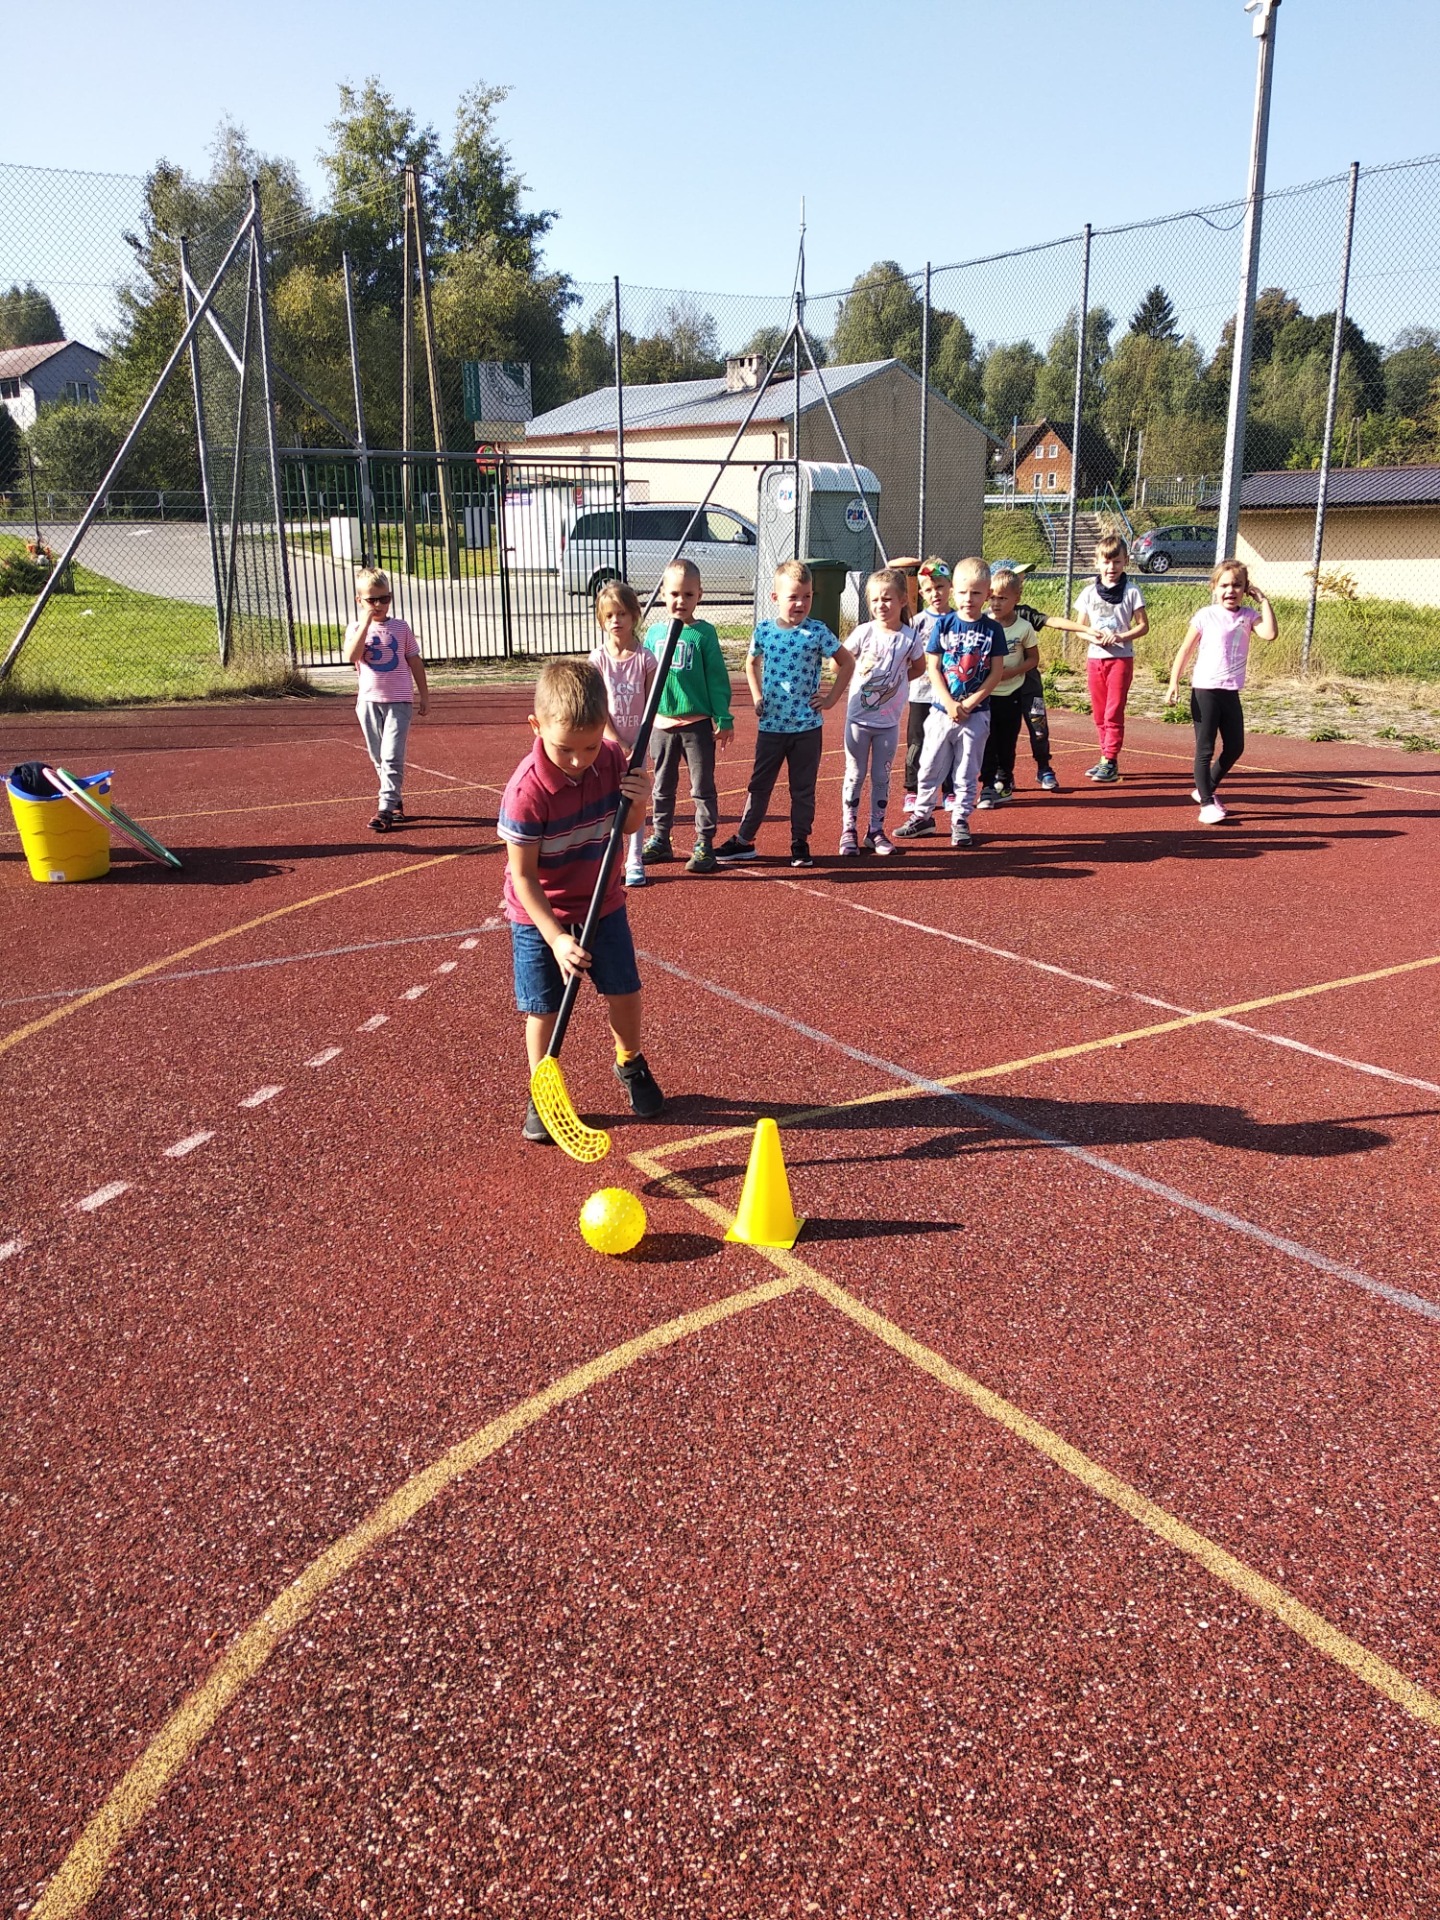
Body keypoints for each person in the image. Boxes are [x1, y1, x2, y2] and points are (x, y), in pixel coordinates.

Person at [497, 658, 663, 1145]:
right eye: (565, 748)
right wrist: (555, 939)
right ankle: (543, 1091)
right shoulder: (526, 792)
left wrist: (638, 799)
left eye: (590, 746)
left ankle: (630, 1062)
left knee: (624, 990)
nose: (579, 759)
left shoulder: (611, 759)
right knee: (543, 1007)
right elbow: (524, 877)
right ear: (536, 726)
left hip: (602, 900)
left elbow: (628, 829)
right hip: (538, 913)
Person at [715, 559, 854, 869]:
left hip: (806, 728)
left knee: (802, 789)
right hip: (772, 727)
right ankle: (744, 840)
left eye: (807, 596)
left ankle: (800, 842)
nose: (801, 603)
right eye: (793, 596)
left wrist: (831, 699)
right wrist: (757, 696)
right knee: (759, 785)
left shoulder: (817, 631)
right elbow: (750, 664)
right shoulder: (764, 630)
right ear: (775, 597)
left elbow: (847, 663)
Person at [893, 556, 1007, 850]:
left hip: (976, 715)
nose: (969, 599)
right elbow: (933, 667)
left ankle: (960, 820)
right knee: (929, 764)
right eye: (963, 592)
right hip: (941, 712)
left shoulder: (993, 630)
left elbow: (995, 673)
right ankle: (923, 816)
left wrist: (969, 703)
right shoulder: (944, 624)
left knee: (967, 771)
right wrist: (949, 702)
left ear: (988, 594)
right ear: (954, 591)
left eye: (977, 593)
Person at [1165, 559, 1278, 824]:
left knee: (1235, 746)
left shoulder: (1248, 616)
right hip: (1205, 690)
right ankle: (1206, 803)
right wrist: (1174, 682)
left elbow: (1270, 634)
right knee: (1205, 749)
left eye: (1237, 585)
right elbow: (1185, 650)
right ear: (1214, 587)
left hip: (1230, 691)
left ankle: (1206, 787)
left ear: (1245, 588)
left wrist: (1263, 600)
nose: (1231, 590)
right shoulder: (1205, 615)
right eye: (1225, 585)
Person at [640, 559, 733, 875]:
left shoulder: (704, 634)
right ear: (664, 593)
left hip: (696, 726)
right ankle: (661, 838)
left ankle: (705, 844)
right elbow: (645, 676)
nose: (681, 601)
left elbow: (717, 678)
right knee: (662, 787)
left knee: (702, 787)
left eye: (688, 594)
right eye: (675, 593)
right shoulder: (653, 633)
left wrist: (724, 717)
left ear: (699, 596)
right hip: (661, 726)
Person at [837, 566, 927, 855]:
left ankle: (875, 831)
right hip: (857, 721)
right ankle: (848, 830)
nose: (881, 605)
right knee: (854, 774)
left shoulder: (910, 638)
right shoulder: (864, 632)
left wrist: (897, 684)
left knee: (881, 777)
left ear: (903, 600)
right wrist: (857, 670)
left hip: (887, 723)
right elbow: (837, 661)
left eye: (887, 599)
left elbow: (919, 668)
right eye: (875, 600)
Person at [343, 567, 428, 832]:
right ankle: (395, 800)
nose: (379, 605)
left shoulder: (401, 628)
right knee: (378, 756)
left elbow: (414, 660)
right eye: (372, 600)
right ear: (359, 600)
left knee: (392, 755)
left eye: (385, 598)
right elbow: (352, 656)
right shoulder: (356, 628)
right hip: (368, 703)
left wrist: (424, 695)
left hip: (399, 701)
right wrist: (366, 623)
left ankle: (384, 809)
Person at [589, 580, 659, 887]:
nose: (615, 621)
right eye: (608, 616)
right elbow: (597, 705)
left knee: (636, 799)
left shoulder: (645, 659)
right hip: (606, 744)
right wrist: (616, 739)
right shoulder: (598, 659)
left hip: (638, 746)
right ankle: (608, 858)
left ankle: (635, 859)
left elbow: (652, 702)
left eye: (621, 614)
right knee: (606, 800)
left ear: (634, 615)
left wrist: (638, 742)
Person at [1074, 532, 1148, 784]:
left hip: (1121, 659)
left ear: (1125, 561)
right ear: (1097, 562)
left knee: (1113, 711)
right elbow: (1079, 627)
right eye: (1106, 562)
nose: (1111, 567)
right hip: (1095, 660)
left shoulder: (1132, 591)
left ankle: (1110, 759)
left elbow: (1143, 626)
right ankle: (1104, 756)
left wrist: (1120, 637)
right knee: (1098, 712)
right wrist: (1092, 636)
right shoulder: (1088, 593)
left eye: (1116, 561)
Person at [976, 566, 1040, 809]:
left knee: (1007, 740)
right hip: (985, 695)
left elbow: (1034, 659)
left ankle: (1006, 779)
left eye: (1002, 598)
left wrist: (1009, 673)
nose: (995, 602)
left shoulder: (1024, 628)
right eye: (991, 597)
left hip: (1012, 693)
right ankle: (988, 784)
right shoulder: (981, 623)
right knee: (986, 741)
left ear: (1017, 599)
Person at [904, 558, 952, 811]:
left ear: (951, 586)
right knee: (917, 742)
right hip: (921, 694)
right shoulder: (916, 623)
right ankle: (912, 791)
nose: (936, 593)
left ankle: (950, 791)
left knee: (949, 742)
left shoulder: (959, 619)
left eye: (941, 587)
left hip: (951, 696)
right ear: (922, 592)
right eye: (930, 589)